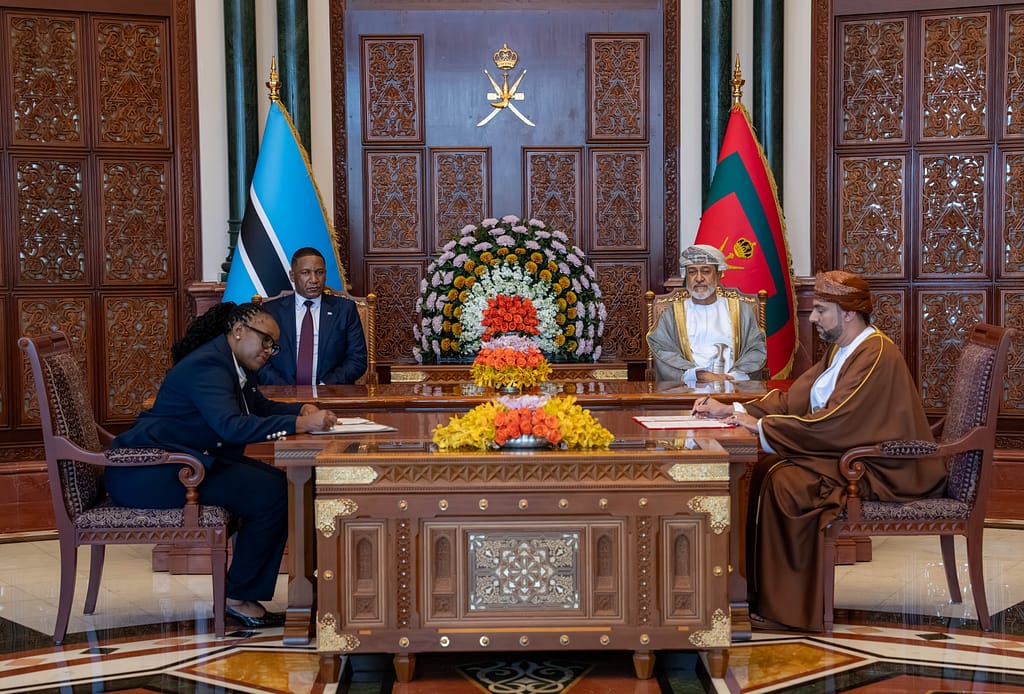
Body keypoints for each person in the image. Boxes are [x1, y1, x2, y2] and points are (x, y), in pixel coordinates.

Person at [693, 270, 947, 632]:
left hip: (885, 467)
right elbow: (797, 398)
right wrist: (737, 412)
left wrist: (761, 427)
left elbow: (836, 422)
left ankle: (789, 610)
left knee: (788, 484)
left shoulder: (874, 354)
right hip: (851, 454)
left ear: (847, 313)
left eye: (821, 310)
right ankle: (759, 596)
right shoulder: (843, 350)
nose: (811, 318)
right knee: (768, 469)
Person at [107, 302, 338, 628]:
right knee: (274, 494)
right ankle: (236, 596)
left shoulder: (228, 362)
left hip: (186, 462)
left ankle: (241, 591)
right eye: (266, 341)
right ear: (239, 331)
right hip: (152, 471)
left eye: (274, 344)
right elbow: (230, 426)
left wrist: (301, 411)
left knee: (278, 485)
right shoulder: (209, 367)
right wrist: (299, 426)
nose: (270, 351)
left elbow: (258, 406)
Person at [646, 244, 766, 382]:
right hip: (689, 387)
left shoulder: (741, 310)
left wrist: (733, 377)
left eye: (706, 271)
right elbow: (662, 350)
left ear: (719, 274)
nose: (699, 278)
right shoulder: (673, 314)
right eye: (692, 272)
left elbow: (755, 348)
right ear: (686, 276)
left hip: (735, 385)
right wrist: (698, 375)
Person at [259, 247, 367, 386]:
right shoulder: (271, 311)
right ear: (292, 276)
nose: (314, 280)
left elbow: (357, 359)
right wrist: (284, 389)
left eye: (319, 272)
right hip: (282, 395)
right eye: (305, 273)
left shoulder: (344, 310)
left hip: (330, 393)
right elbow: (259, 359)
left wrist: (325, 387)